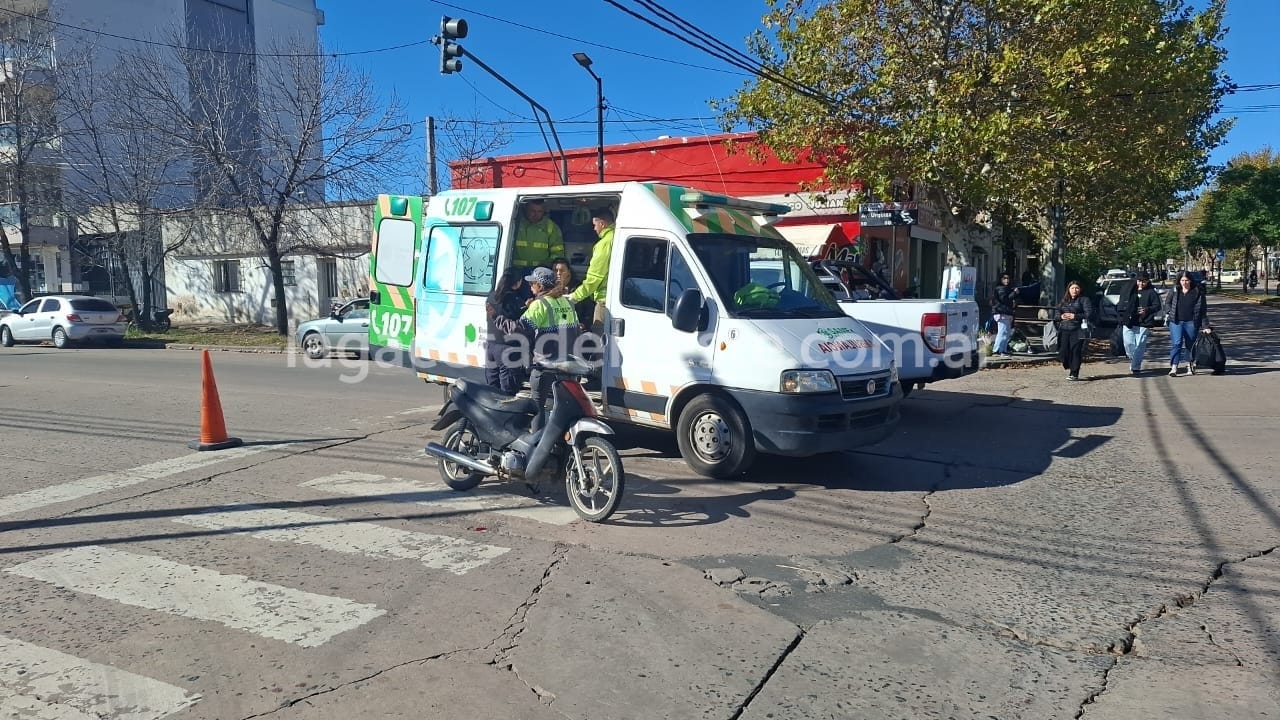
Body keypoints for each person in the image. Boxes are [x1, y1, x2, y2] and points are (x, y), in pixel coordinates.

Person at [519, 266, 582, 424]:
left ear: (540, 286)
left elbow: (521, 329)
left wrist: (500, 320)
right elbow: (576, 330)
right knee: (564, 407)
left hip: (545, 366)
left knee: (537, 406)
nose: (530, 286)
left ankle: (537, 439)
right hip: (567, 365)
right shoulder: (567, 302)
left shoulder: (540, 304)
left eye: (532, 283)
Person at [483, 268, 532, 394]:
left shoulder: (491, 296)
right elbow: (518, 324)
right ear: (518, 282)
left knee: (492, 388)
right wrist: (527, 307)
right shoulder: (514, 300)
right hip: (508, 348)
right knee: (508, 392)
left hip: (491, 346)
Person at [569, 207, 615, 335]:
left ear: (602, 224)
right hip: (614, 298)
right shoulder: (616, 237)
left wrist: (575, 296)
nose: (594, 229)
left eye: (595, 225)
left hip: (604, 301)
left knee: (598, 339)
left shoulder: (604, 244)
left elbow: (595, 277)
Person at [1162, 270, 1210, 376]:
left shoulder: (1197, 292)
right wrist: (1169, 312)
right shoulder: (1175, 290)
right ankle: (1174, 367)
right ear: (1179, 281)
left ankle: (1189, 365)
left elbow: (1202, 310)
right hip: (1176, 322)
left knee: (1190, 344)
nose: (1184, 282)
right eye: (1182, 280)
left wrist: (1205, 326)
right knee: (1176, 343)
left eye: (1186, 280)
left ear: (1190, 280)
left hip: (1191, 322)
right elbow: (1167, 303)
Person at [1120, 271, 1162, 376]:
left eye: (1144, 281)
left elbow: (1157, 306)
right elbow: (1122, 304)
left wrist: (1146, 310)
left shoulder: (1151, 292)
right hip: (1129, 321)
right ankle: (1133, 359)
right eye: (1139, 281)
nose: (1141, 283)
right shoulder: (1130, 290)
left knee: (1140, 345)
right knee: (1128, 344)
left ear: (1148, 281)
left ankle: (1136, 367)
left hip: (1144, 322)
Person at [1054, 280, 1093, 381]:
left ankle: (1074, 373)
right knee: (1063, 352)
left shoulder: (1084, 300)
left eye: (1077, 288)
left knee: (1075, 351)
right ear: (1068, 289)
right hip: (1064, 329)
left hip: (1078, 329)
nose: (1074, 290)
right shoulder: (1064, 300)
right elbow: (1057, 313)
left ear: (1080, 289)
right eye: (1072, 288)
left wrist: (1075, 316)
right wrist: (1061, 316)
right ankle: (1068, 364)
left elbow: (1088, 314)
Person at [512, 200, 565, 269]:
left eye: (540, 211)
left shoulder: (551, 227)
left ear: (544, 211)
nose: (536, 215)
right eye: (532, 211)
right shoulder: (514, 224)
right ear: (526, 209)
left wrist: (545, 267)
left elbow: (558, 253)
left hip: (541, 272)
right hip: (516, 270)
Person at [990, 273, 1018, 356]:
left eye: (1008, 278)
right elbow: (1004, 299)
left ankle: (1003, 350)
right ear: (1000, 279)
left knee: (1006, 332)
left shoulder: (1005, 288)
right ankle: (998, 350)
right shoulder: (1001, 288)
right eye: (1004, 278)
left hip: (1005, 312)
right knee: (1003, 332)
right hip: (1002, 312)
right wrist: (1014, 293)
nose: (1006, 280)